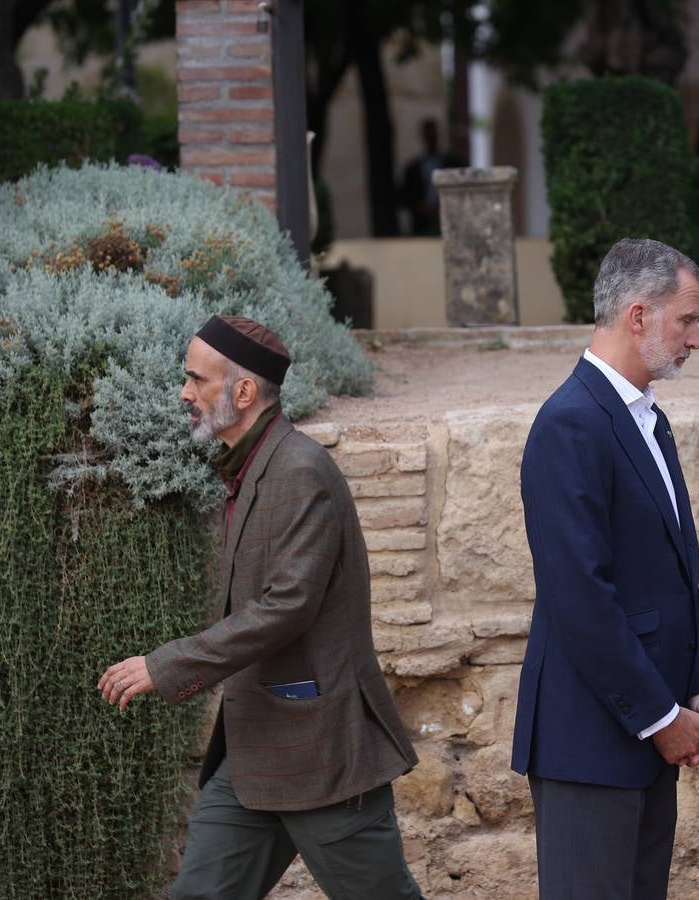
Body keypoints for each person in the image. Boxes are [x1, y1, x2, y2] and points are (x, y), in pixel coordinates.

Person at [97, 315, 423, 900]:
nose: (184, 393)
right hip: (252, 756)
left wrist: (167, 664)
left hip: (321, 754)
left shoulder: (300, 471)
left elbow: (286, 607)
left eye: (196, 380)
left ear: (243, 393)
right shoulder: (246, 468)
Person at [512, 238, 699, 899]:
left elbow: (673, 573)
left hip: (646, 732)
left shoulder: (644, 421)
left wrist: (696, 686)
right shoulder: (570, 424)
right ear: (638, 316)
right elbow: (581, 597)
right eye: (685, 320)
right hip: (591, 743)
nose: (695, 339)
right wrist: (662, 720)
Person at [399, 118, 464, 236]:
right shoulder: (412, 168)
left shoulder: (453, 163)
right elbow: (406, 196)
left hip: (449, 219)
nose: (431, 138)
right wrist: (421, 207)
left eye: (433, 134)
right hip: (421, 224)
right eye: (427, 134)